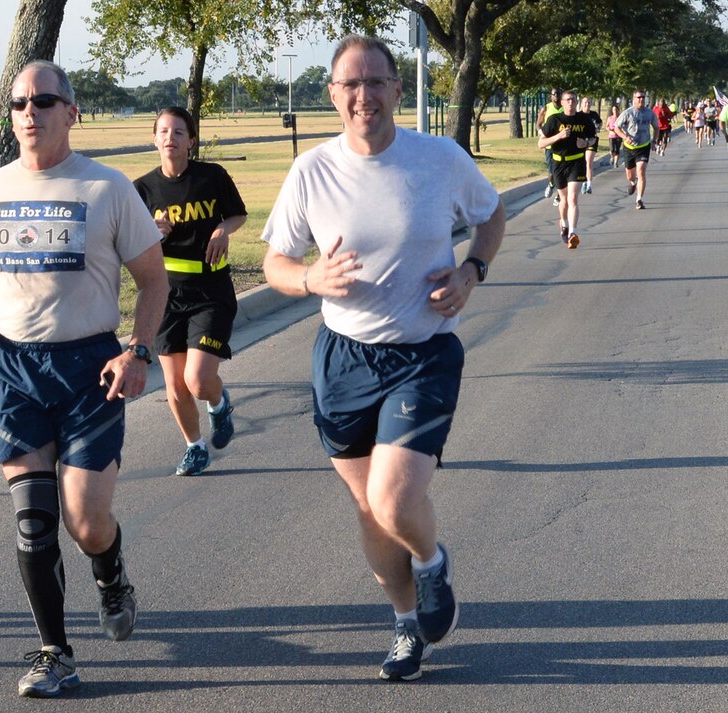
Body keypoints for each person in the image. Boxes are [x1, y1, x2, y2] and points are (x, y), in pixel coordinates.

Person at [0, 59, 167, 698]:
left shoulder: (106, 189)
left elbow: (153, 280)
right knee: (33, 520)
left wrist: (139, 352)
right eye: (19, 103)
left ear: (71, 113)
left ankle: (109, 570)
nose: (30, 113)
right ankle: (56, 651)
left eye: (44, 102)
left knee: (85, 520)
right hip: (11, 366)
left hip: (90, 367)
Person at [262, 35, 506, 682]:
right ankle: (404, 622)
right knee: (368, 509)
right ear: (333, 95)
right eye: (350, 84)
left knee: (394, 500)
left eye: (376, 82)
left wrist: (472, 271)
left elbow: (492, 214)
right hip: (342, 358)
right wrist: (310, 279)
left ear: (398, 90)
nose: (363, 95)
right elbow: (275, 263)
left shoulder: (440, 158)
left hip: (422, 353)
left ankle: (430, 564)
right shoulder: (311, 170)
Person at [133, 106, 246, 477]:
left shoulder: (211, 177)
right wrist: (154, 233)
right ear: (154, 139)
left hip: (211, 290)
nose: (170, 138)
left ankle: (218, 403)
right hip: (165, 295)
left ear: (191, 140)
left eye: (178, 132)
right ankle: (195, 448)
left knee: (198, 381)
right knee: (175, 385)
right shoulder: (142, 190)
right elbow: (131, 244)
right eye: (163, 131)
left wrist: (221, 231)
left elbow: (237, 214)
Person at [538, 90, 589, 248]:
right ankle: (565, 224)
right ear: (561, 103)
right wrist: (558, 136)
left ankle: (573, 232)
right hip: (559, 163)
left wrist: (585, 144)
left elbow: (593, 137)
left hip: (576, 162)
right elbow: (541, 143)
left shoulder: (583, 119)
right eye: (567, 100)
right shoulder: (554, 120)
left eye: (573, 99)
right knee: (564, 200)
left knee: (573, 198)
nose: (570, 102)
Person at [612, 90, 658, 211]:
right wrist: (625, 137)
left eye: (643, 97)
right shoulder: (628, 113)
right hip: (629, 147)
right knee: (630, 174)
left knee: (641, 171)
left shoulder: (650, 113)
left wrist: (654, 141)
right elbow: (616, 127)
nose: (641, 99)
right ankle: (633, 183)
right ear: (634, 99)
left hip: (643, 146)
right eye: (638, 97)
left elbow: (656, 127)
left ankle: (639, 199)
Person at [575, 98, 602, 194]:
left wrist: (597, 128)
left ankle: (589, 185)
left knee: (588, 162)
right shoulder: (578, 115)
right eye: (585, 102)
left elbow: (599, 123)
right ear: (581, 104)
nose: (587, 104)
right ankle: (584, 182)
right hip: (581, 141)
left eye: (589, 102)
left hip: (592, 140)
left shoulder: (594, 115)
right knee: (582, 163)